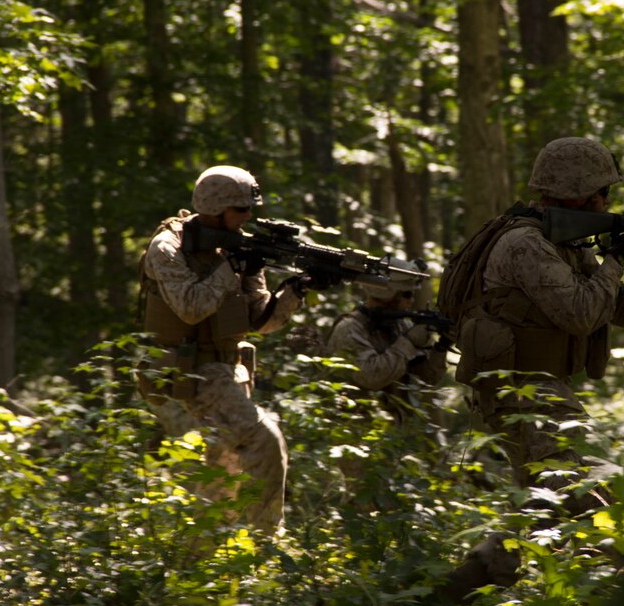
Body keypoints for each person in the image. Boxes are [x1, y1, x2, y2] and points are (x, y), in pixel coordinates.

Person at [437, 136, 624, 604]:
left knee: (541, 506)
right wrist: (617, 259)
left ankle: (456, 593)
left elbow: (617, 305)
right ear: (577, 192)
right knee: (586, 492)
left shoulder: (566, 243)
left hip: (536, 390)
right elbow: (582, 312)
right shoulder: (525, 243)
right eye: (601, 193)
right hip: (519, 391)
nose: (606, 202)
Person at [136, 165, 306, 533]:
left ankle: (207, 567)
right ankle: (267, 544)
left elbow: (261, 320)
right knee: (264, 439)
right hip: (185, 374)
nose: (248, 217)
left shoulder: (235, 246)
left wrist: (296, 291)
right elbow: (191, 307)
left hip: (228, 372)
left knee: (221, 476)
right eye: (241, 209)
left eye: (249, 209)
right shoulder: (168, 247)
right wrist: (230, 265)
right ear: (214, 208)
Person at [324, 265, 448, 424]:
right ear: (386, 294)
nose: (411, 301)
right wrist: (408, 342)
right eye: (406, 294)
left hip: (391, 432)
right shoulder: (349, 329)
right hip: (354, 428)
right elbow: (370, 377)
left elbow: (428, 377)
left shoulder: (401, 325)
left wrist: (442, 345)